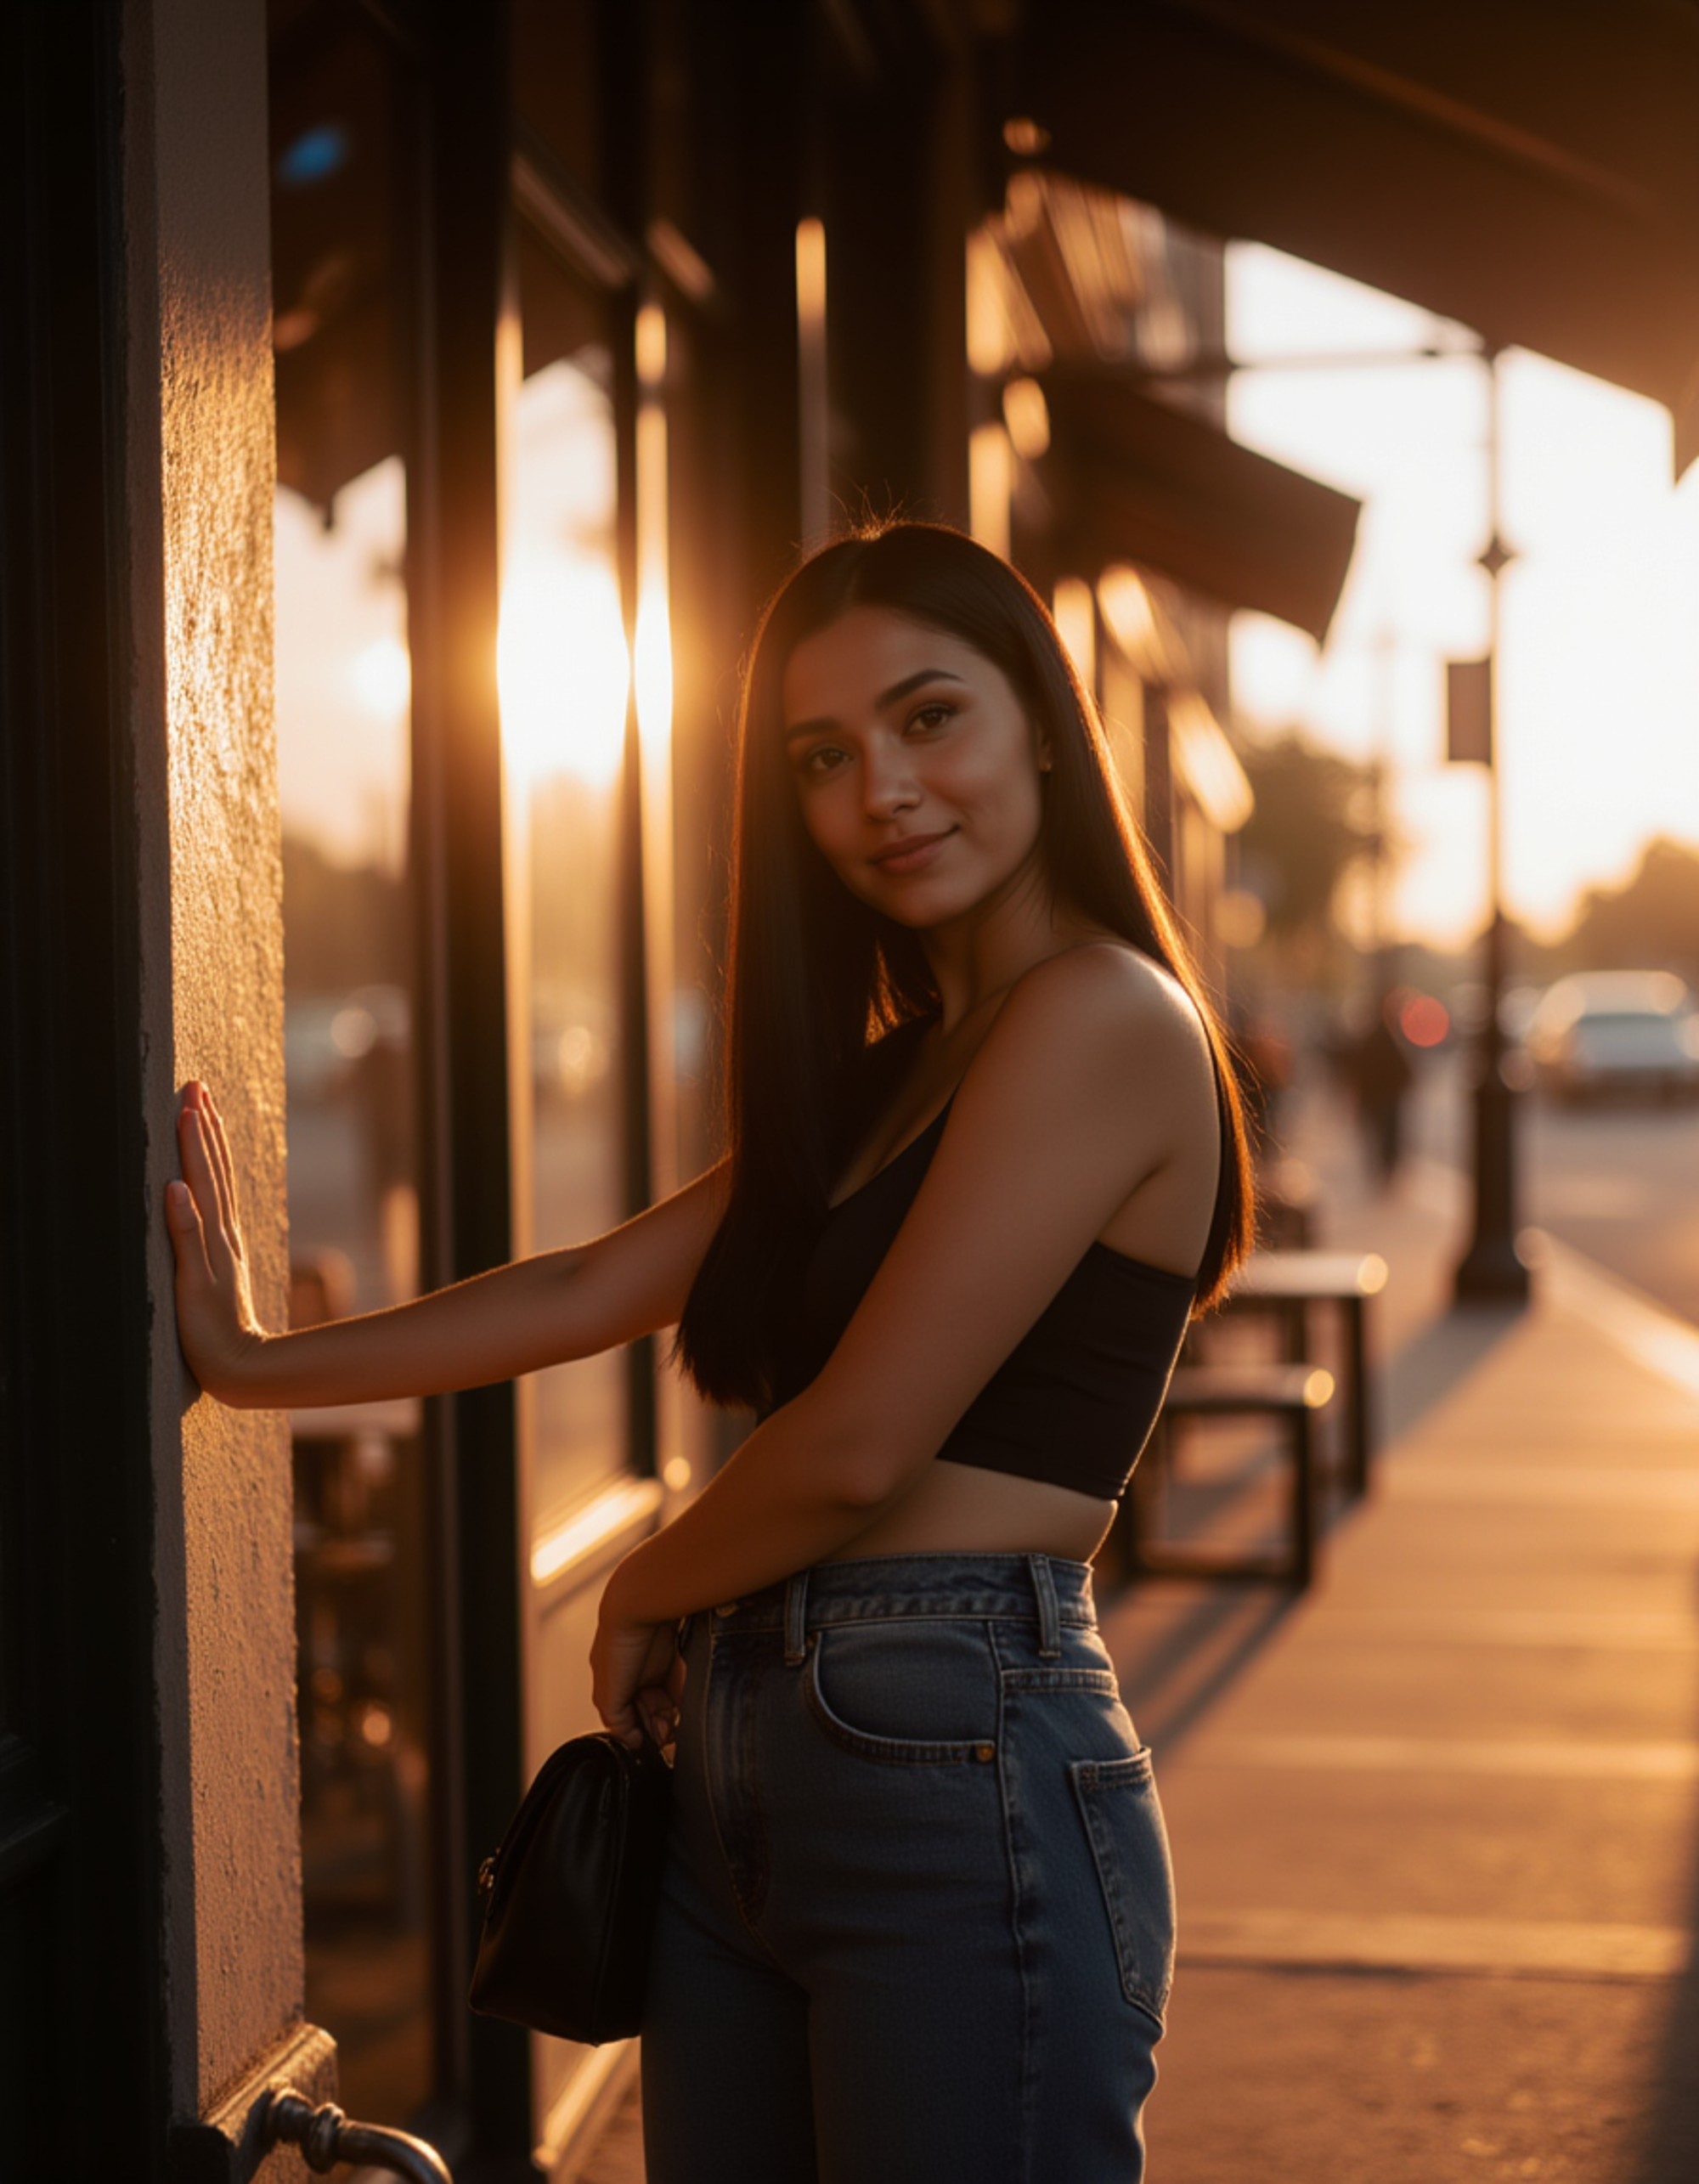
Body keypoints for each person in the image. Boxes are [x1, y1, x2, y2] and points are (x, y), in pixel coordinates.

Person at [167, 521, 1254, 2184]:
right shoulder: (908, 1062)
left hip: (955, 1740)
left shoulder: (1105, 1015)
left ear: (1039, 716)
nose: (881, 786)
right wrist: (246, 1359)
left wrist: (639, 1585)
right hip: (757, 1755)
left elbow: (854, 1445)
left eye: (927, 716)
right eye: (824, 756)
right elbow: (593, 1279)